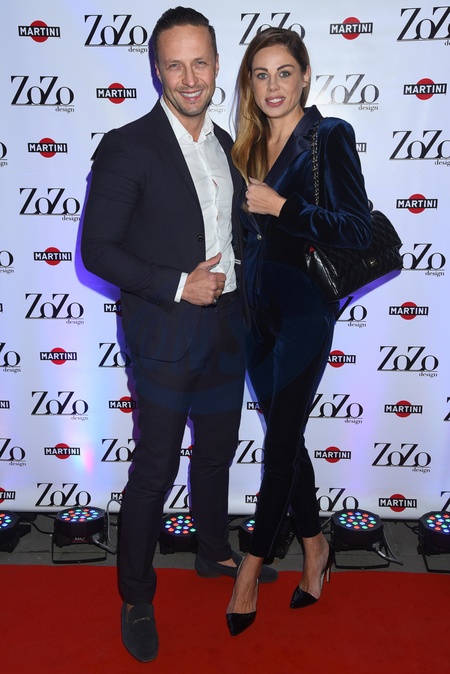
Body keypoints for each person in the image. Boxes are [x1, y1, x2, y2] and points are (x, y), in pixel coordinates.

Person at [81, 6, 276, 663]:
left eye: (200, 63)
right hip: (164, 331)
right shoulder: (127, 146)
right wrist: (175, 284)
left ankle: (212, 550)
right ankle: (136, 595)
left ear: (217, 66)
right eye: (175, 65)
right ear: (157, 71)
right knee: (155, 467)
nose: (189, 78)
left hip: (227, 329)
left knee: (217, 452)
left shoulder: (227, 144)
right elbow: (97, 252)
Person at [225, 27, 372, 636]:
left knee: (280, 443)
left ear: (306, 76)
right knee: (287, 440)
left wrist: (282, 206)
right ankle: (315, 547)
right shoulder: (246, 147)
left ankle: (251, 568)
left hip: (306, 313)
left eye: (284, 72)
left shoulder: (328, 136)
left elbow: (358, 229)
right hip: (255, 314)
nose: (273, 86)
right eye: (261, 75)